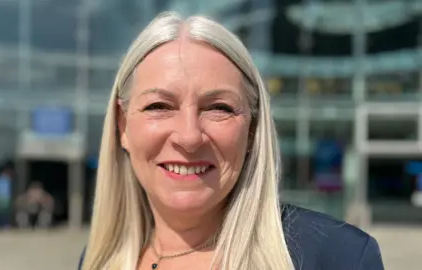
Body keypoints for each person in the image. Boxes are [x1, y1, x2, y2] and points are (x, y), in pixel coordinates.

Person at [80, 12, 384, 270]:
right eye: (159, 106)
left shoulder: (339, 257)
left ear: (252, 130)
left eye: (218, 108)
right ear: (123, 126)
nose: (188, 136)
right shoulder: (100, 260)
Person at [0, 161, 15, 228]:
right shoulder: (1, 178)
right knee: (2, 212)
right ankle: (3, 224)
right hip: (2, 198)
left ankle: (5, 224)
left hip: (5, 198)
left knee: (6, 212)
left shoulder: (7, 179)